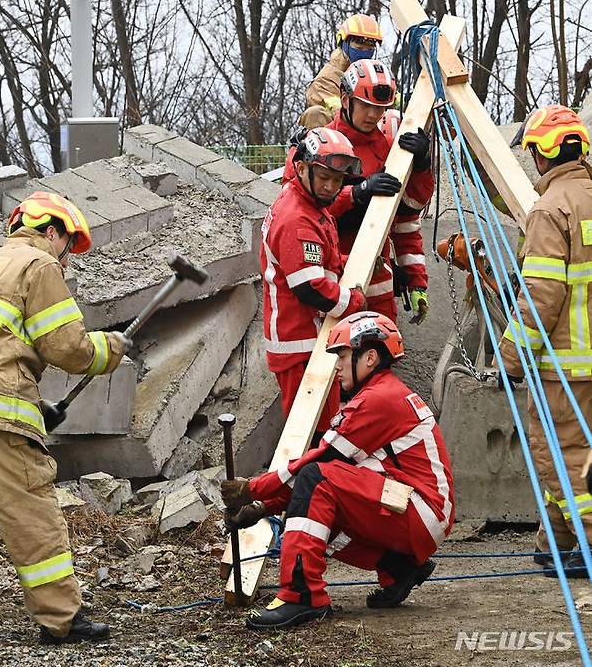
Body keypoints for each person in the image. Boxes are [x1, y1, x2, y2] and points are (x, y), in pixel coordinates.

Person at [0, 191, 131, 641]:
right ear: (52, 231)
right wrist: (112, 348)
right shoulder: (38, 266)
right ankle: (60, 617)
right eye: (68, 246)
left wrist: (33, 403)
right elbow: (68, 348)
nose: (67, 260)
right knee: (30, 507)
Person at [221, 311, 454, 629]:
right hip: (417, 507)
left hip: (420, 510)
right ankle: (399, 568)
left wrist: (252, 491)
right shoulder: (383, 394)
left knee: (315, 480)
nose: (337, 366)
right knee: (317, 508)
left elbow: (320, 462)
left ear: (370, 357)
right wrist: (263, 508)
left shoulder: (378, 400)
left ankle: (302, 595)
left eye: (343, 356)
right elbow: (336, 467)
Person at [498, 105, 592, 578]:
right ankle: (557, 539)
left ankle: (588, 542)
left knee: (563, 455)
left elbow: (540, 296)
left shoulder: (549, 209)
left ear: (542, 154)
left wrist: (511, 358)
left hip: (565, 366)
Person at [285, 60, 433, 324]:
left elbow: (408, 216)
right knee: (335, 361)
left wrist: (421, 166)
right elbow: (295, 211)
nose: (373, 115)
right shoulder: (313, 147)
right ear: (345, 99)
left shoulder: (390, 150)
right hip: (330, 282)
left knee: (382, 358)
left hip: (379, 281)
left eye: (380, 109)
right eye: (366, 106)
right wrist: (357, 194)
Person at [261, 128, 367, 434]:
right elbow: (311, 288)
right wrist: (354, 301)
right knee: (309, 431)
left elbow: (319, 260)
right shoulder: (298, 218)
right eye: (324, 177)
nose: (331, 186)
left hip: (308, 338)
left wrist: (349, 263)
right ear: (302, 167)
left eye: (337, 180)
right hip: (300, 343)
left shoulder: (307, 205)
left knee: (322, 421)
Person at [299, 14, 383, 130]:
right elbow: (339, 112)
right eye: (359, 48)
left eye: (369, 49)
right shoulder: (325, 80)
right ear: (343, 43)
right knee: (315, 113)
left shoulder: (374, 75)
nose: (364, 53)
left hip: (370, 138)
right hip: (337, 137)